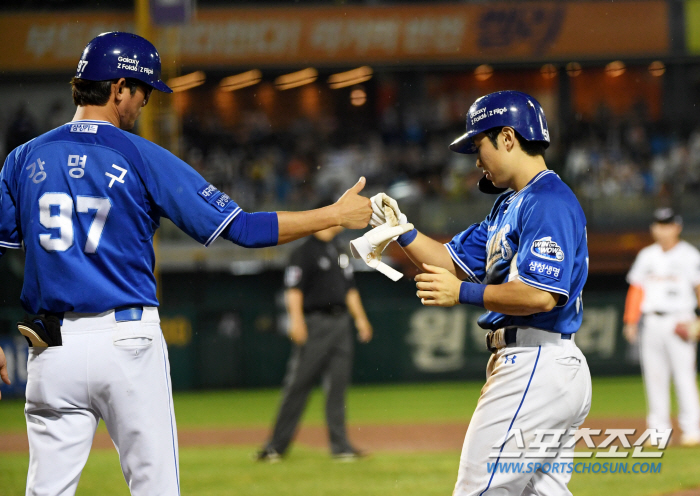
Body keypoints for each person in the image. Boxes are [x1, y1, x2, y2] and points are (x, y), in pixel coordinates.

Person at [0, 31, 371, 496]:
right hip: (126, 342)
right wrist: (335, 214)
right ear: (119, 88)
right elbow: (244, 229)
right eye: (143, 92)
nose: (144, 104)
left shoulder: (21, 158)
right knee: (156, 489)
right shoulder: (140, 154)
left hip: (51, 350)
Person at [363, 91, 591, 495]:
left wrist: (463, 294)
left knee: (478, 490)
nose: (476, 158)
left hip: (535, 363)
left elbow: (541, 295)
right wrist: (403, 231)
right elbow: (449, 261)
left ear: (507, 137)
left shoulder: (547, 200)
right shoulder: (509, 205)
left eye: (478, 144)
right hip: (542, 364)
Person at [257, 214, 373, 461]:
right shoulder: (304, 251)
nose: (341, 221)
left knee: (338, 387)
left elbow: (349, 288)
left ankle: (340, 446)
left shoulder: (339, 249)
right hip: (315, 322)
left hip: (340, 323)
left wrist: (360, 318)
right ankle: (275, 447)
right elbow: (293, 290)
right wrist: (296, 321)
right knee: (298, 385)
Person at [623, 207, 700, 446]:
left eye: (667, 224)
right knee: (654, 378)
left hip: (681, 320)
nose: (662, 229)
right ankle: (658, 433)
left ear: (677, 227)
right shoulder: (647, 255)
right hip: (652, 321)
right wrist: (631, 321)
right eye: (658, 224)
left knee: (684, 377)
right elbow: (637, 290)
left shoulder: (690, 255)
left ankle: (692, 430)